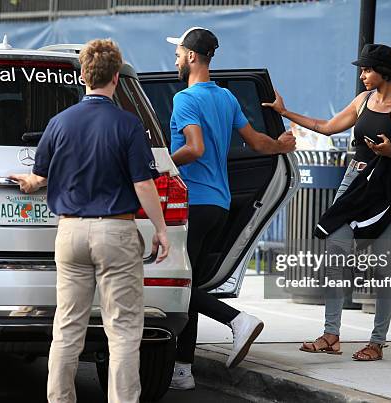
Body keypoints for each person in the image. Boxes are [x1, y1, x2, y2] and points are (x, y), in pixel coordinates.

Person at [9, 39, 169, 403]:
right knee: (124, 330)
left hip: (70, 233)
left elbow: (42, 174)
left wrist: (30, 182)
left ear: (83, 76)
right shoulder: (129, 125)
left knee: (67, 327)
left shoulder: (59, 123)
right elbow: (143, 184)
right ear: (116, 77)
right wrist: (160, 230)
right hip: (116, 232)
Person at [263, 43, 391, 361]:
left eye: (367, 70)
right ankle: (331, 335)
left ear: (385, 73)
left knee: (382, 267)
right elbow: (326, 127)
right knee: (336, 254)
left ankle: (377, 342)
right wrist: (285, 113)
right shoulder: (362, 101)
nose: (363, 76)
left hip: (387, 192)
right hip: (352, 185)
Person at [165, 27, 296, 389]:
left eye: (178, 53)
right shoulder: (227, 98)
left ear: (192, 56)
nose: (175, 59)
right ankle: (182, 370)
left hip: (194, 201)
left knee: (178, 284)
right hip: (220, 204)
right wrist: (282, 145)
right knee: (190, 283)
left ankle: (237, 320)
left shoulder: (185, 99)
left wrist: (159, 164)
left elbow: (195, 148)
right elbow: (257, 143)